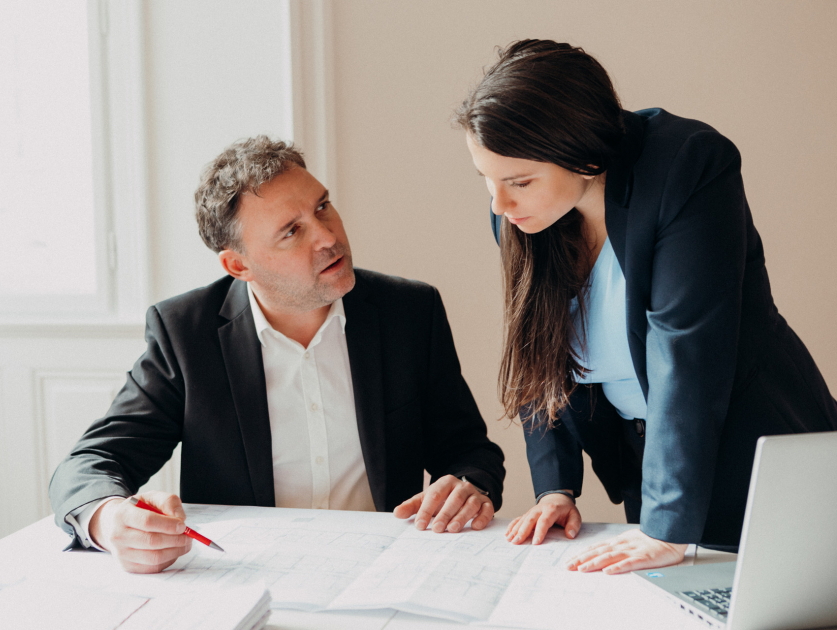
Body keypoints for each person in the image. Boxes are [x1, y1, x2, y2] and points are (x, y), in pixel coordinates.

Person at [454, 39, 837, 574]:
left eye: (518, 182)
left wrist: (666, 526)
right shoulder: (521, 215)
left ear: (585, 156)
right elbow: (539, 347)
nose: (499, 204)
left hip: (755, 453)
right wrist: (555, 488)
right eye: (486, 180)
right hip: (650, 469)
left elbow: (688, 354)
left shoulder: (687, 165)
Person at [49, 135, 505, 573]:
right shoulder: (186, 333)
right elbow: (90, 464)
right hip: (248, 575)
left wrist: (470, 484)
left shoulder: (409, 312)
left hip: (384, 568)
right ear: (238, 265)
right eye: (291, 231)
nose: (327, 236)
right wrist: (109, 520)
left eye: (322, 206)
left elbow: (469, 450)